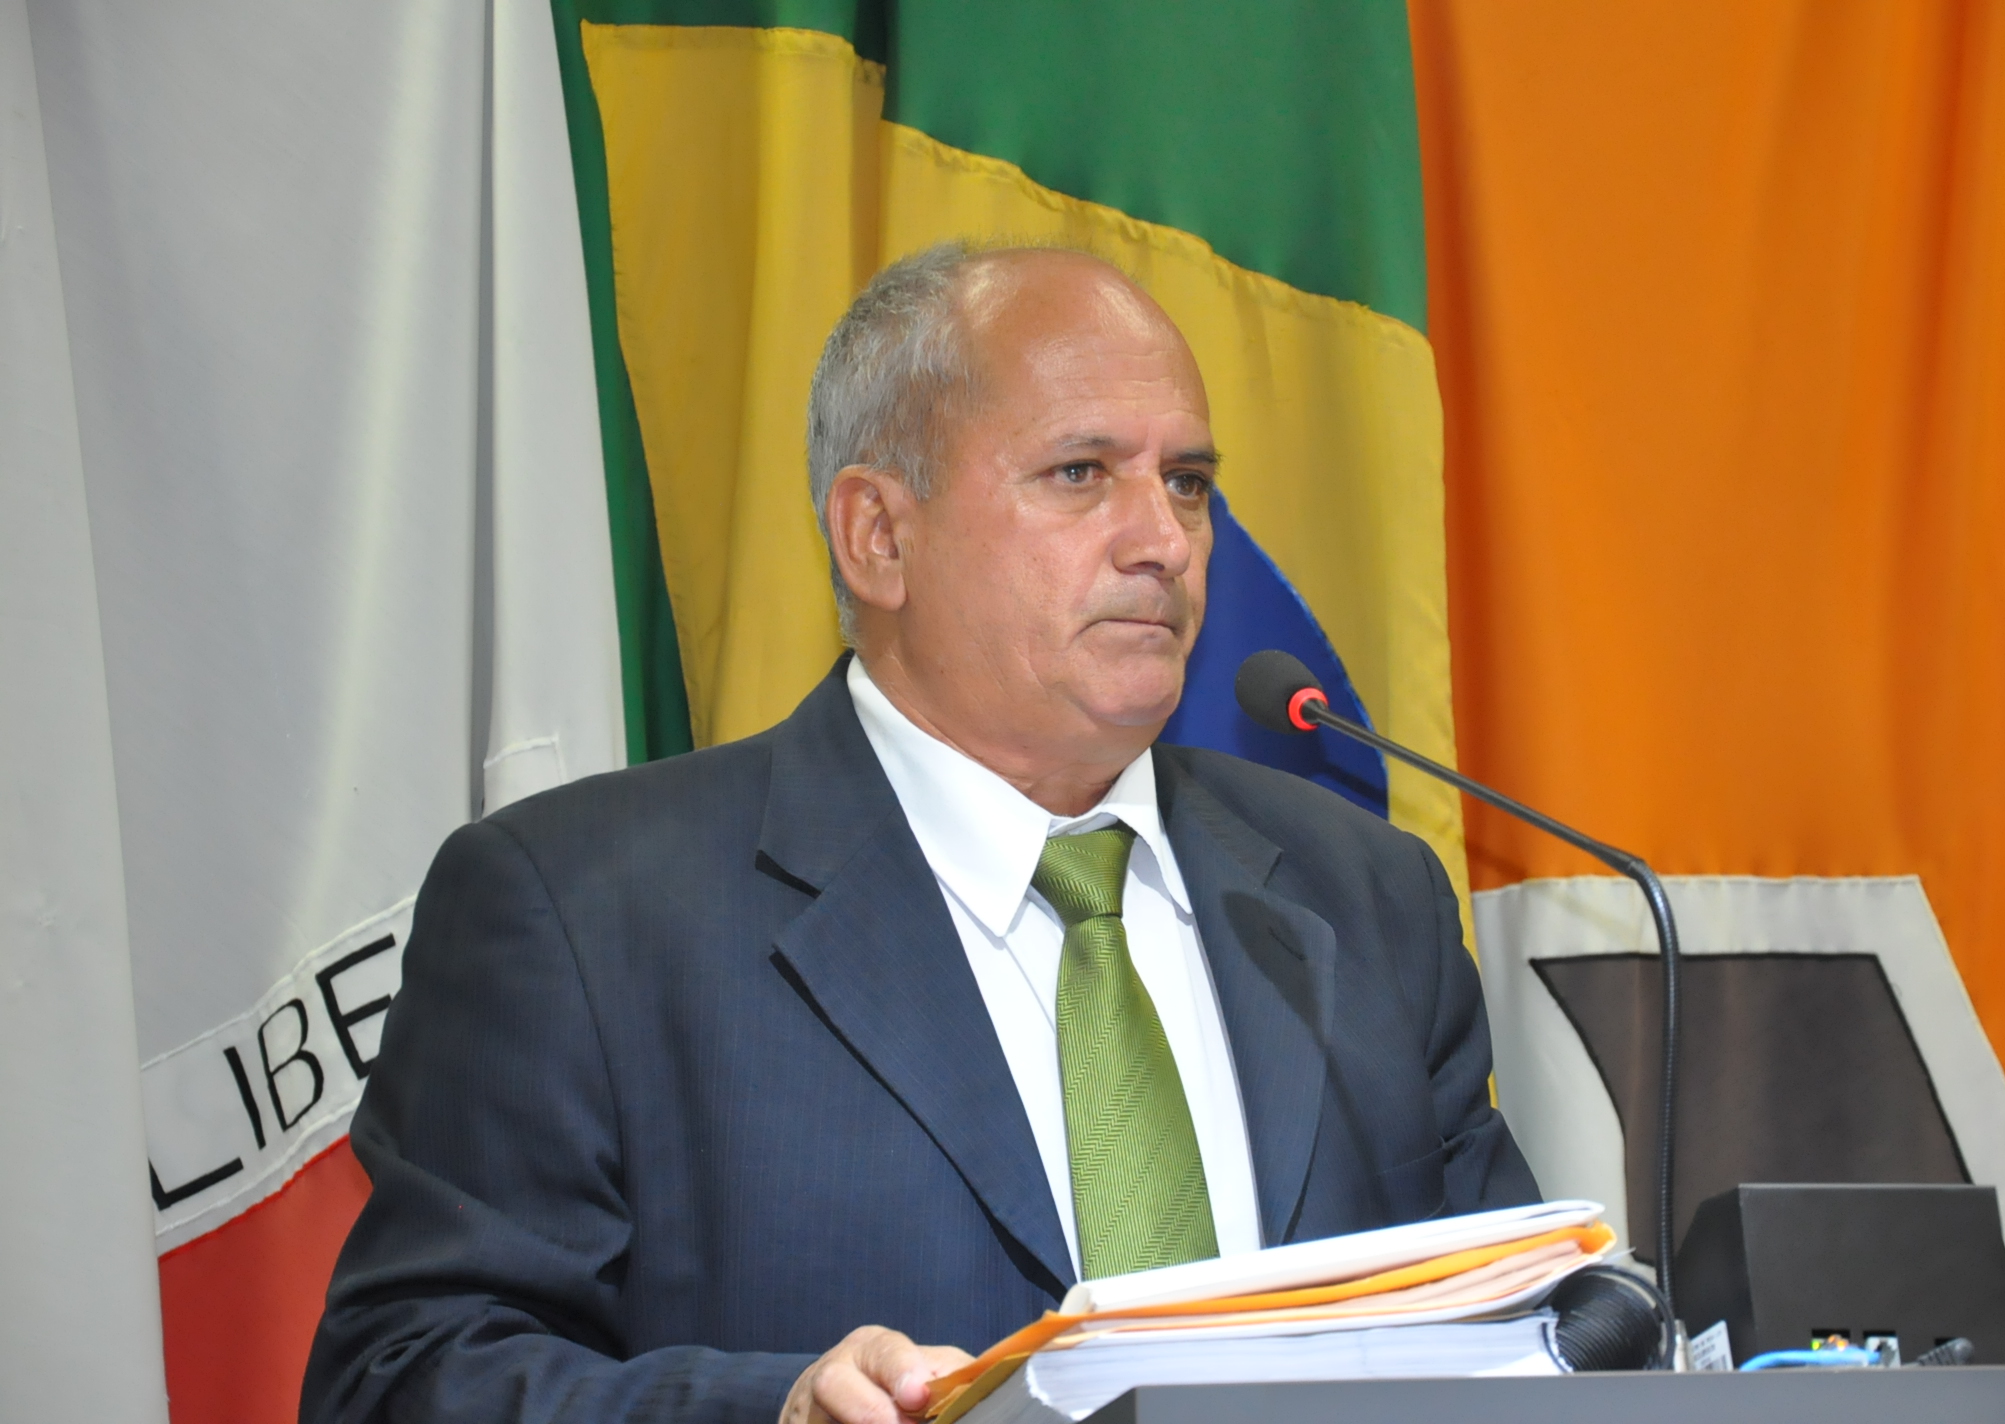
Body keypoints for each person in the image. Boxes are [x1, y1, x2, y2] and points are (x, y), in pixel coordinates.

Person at [301, 243, 1537, 1424]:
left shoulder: (1365, 896)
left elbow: (1528, 1327)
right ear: (878, 536)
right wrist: (774, 1409)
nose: (1164, 540)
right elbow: (404, 1376)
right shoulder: (581, 911)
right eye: (1080, 473)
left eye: (1186, 482)